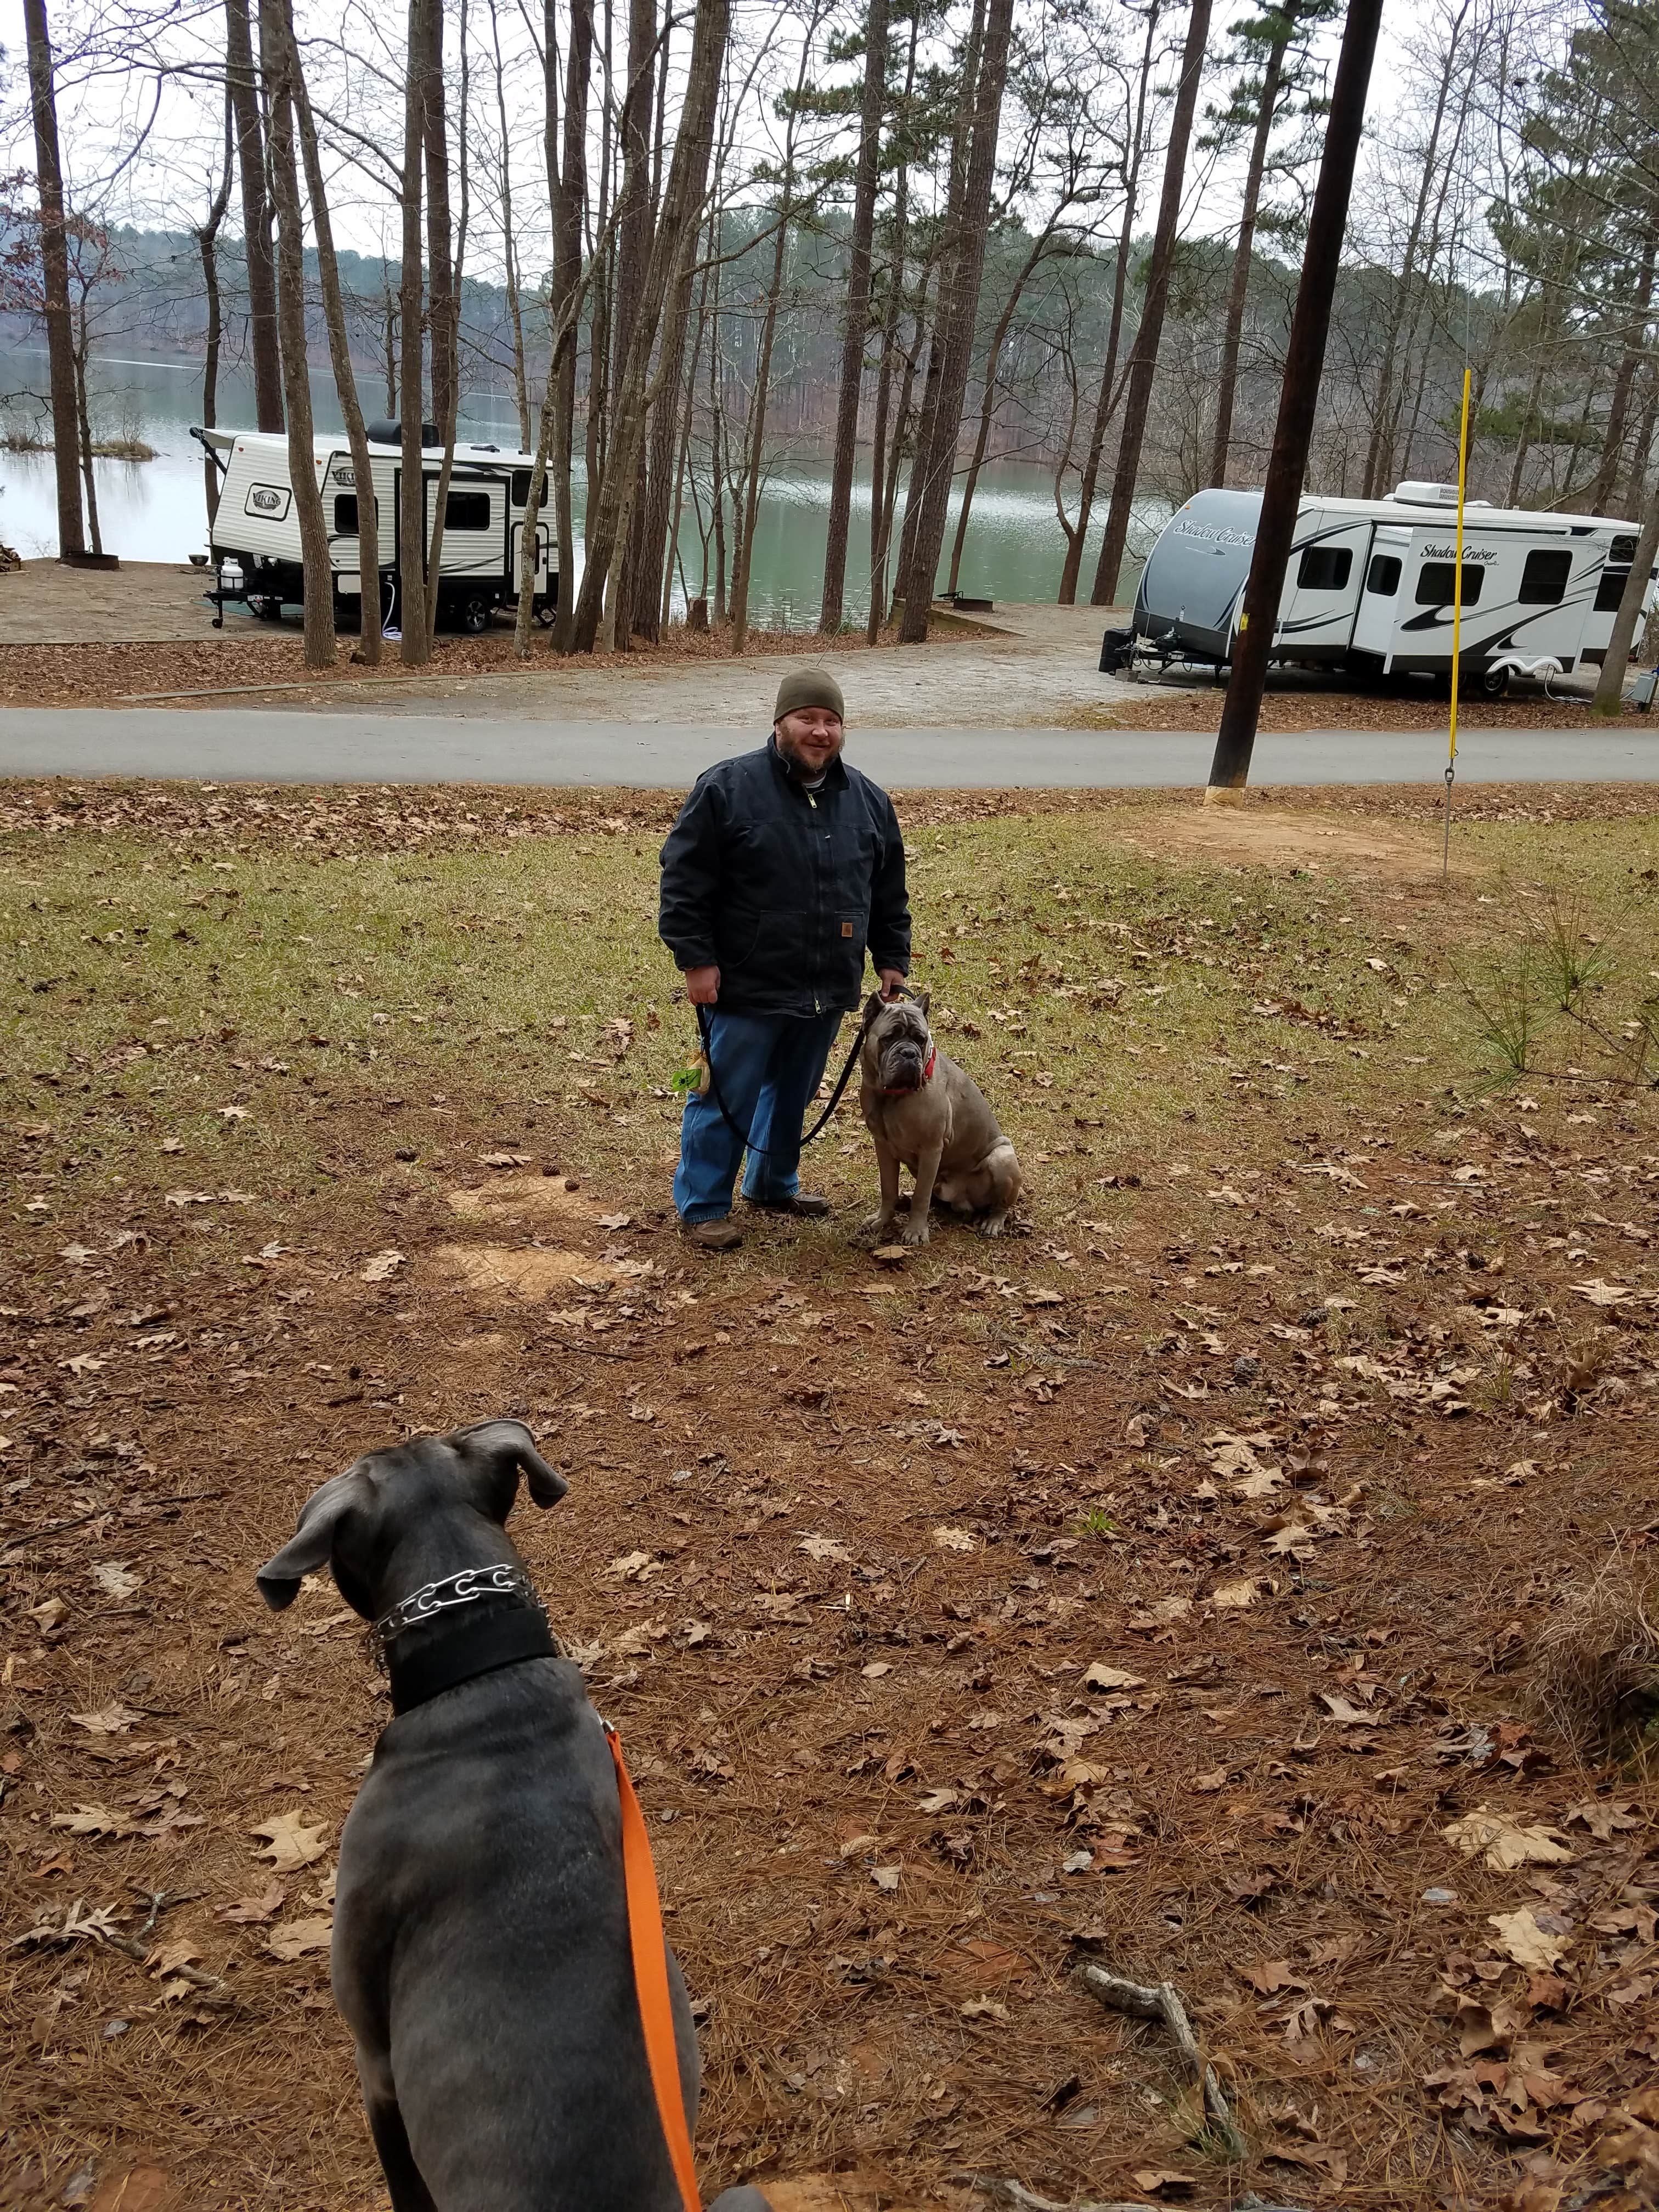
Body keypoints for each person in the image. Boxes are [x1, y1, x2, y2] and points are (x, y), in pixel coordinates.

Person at [658, 668, 911, 1251]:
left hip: (827, 981)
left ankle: (772, 1183)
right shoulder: (727, 787)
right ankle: (703, 1205)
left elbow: (887, 891)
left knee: (793, 1093)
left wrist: (891, 957)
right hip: (746, 980)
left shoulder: (869, 801)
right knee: (724, 1095)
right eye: (807, 719)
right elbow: (685, 880)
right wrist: (696, 960)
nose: (820, 732)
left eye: (831, 721)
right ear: (780, 724)